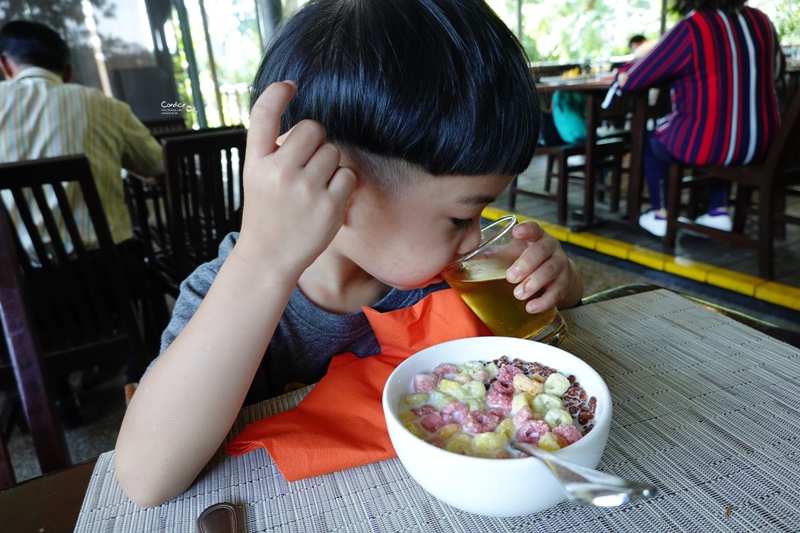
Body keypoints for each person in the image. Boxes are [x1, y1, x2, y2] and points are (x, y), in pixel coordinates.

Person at [114, 0, 584, 508]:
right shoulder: (225, 292)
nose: (474, 241)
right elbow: (146, 481)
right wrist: (264, 263)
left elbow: (565, 324)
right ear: (339, 189)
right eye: (460, 217)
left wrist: (558, 277)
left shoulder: (447, 276)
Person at [0, 20, 166, 421]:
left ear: (5, 66)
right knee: (143, 265)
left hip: (27, 293)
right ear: (67, 69)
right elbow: (155, 165)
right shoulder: (104, 106)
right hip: (110, 281)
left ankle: (58, 396)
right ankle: (137, 370)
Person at [617, 0, 786, 237]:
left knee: (654, 141)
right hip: (765, 145)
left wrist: (623, 74)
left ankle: (661, 214)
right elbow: (777, 71)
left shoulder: (692, 28)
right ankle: (718, 211)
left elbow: (636, 79)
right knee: (718, 131)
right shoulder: (762, 21)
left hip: (712, 145)